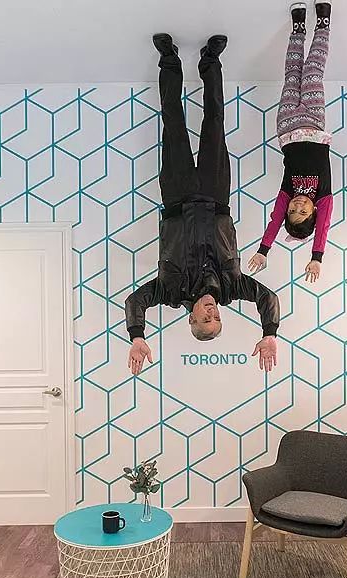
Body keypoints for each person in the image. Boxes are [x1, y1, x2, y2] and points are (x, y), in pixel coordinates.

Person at [125, 33, 280, 376]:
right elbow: (268, 298)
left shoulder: (168, 291)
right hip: (215, 196)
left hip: (176, 197)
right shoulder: (233, 287)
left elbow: (135, 301)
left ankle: (169, 59)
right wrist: (269, 333)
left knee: (173, 124)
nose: (212, 312)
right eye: (217, 318)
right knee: (215, 123)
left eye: (206, 319)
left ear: (191, 319)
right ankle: (211, 60)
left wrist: (137, 336)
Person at [248, 0, 334, 284]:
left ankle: (298, 29)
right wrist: (316, 257)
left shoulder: (287, 192)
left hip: (286, 126)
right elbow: (323, 228)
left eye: (292, 211)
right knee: (313, 73)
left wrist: (263, 250)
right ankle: (323, 24)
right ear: (313, 211)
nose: (297, 205)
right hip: (314, 121)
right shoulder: (323, 196)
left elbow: (275, 221)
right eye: (303, 211)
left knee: (292, 74)